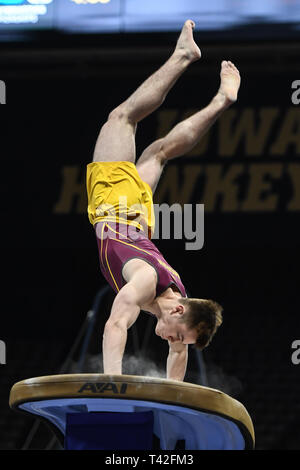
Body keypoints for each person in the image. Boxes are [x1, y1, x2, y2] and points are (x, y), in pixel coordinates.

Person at [86, 20, 241, 381]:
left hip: (138, 219)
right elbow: (115, 324)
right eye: (178, 334)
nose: (174, 341)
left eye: (179, 339)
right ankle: (182, 57)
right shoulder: (144, 282)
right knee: (122, 118)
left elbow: (178, 354)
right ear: (179, 310)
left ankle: (221, 100)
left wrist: (175, 394)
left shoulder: (175, 298)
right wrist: (114, 382)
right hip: (115, 206)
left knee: (159, 153)